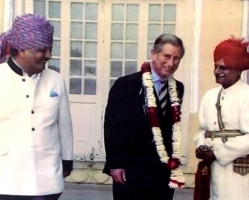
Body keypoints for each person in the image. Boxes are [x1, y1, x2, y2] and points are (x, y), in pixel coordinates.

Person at [0, 14, 73, 200]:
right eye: (41, 50)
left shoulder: (55, 79)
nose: (48, 56)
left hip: (46, 176)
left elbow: (64, 124)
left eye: (49, 50)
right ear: (21, 50)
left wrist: (67, 160)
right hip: (2, 177)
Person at [103, 34, 186, 200]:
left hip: (161, 170)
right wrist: (115, 164)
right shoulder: (126, 85)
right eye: (167, 56)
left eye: (176, 58)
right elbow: (112, 127)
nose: (171, 63)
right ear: (154, 54)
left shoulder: (178, 88)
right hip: (130, 169)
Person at [194, 37, 249, 200]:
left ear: (237, 70)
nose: (217, 71)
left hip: (237, 172)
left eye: (223, 67)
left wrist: (218, 153)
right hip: (210, 169)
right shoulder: (209, 96)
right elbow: (202, 131)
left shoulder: (246, 95)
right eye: (215, 66)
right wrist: (201, 145)